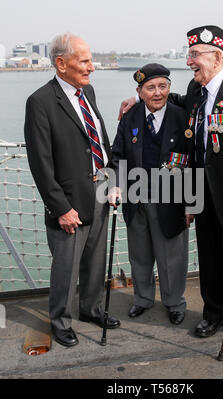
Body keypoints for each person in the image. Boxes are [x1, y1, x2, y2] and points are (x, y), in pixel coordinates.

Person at [118, 26, 223, 348]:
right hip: (204, 195)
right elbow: (176, 100)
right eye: (189, 54)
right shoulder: (196, 91)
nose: (189, 61)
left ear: (217, 57)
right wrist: (138, 100)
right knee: (211, 260)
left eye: (194, 55)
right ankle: (215, 312)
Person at [24, 33, 120, 348]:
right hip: (69, 203)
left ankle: (90, 309)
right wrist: (60, 208)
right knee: (66, 267)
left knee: (94, 260)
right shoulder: (40, 102)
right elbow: (41, 163)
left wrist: (112, 179)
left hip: (100, 191)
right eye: (85, 61)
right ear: (61, 63)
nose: (92, 67)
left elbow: (100, 140)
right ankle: (61, 321)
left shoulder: (87, 91)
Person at [110, 63, 192, 325]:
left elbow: (195, 162)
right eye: (150, 88)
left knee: (172, 258)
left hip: (172, 201)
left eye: (163, 86)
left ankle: (174, 303)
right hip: (136, 198)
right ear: (139, 91)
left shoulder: (183, 117)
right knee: (140, 255)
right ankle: (142, 299)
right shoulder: (130, 118)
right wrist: (114, 185)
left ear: (169, 88)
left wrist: (192, 204)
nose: (157, 93)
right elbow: (118, 155)